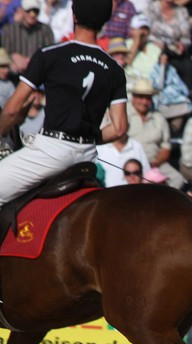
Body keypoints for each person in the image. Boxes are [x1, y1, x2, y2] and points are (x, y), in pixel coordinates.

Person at [0, 0, 127, 205]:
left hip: (51, 151)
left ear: (74, 17)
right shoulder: (115, 69)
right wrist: (87, 138)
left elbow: (12, 110)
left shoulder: (49, 55)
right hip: (87, 158)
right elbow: (120, 128)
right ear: (105, 21)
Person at [127, 79, 185, 189]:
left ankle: (161, 203)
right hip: (129, 161)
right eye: (141, 97)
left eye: (148, 98)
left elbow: (166, 147)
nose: (144, 101)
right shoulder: (124, 113)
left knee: (177, 179)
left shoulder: (159, 117)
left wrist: (155, 163)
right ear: (133, 97)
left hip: (154, 162)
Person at [146, 0, 192, 93]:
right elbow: (146, 32)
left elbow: (186, 37)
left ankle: (188, 96)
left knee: (189, 67)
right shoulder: (151, 9)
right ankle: (159, 92)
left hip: (176, 50)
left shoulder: (182, 11)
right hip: (156, 46)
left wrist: (183, 44)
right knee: (163, 62)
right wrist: (157, 43)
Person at [2, 0, 54, 74]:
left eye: (35, 11)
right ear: (21, 11)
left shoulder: (45, 30)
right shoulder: (9, 30)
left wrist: (34, 61)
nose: (32, 14)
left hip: (38, 73)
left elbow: (50, 52)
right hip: (13, 75)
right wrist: (13, 59)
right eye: (28, 11)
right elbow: (4, 52)